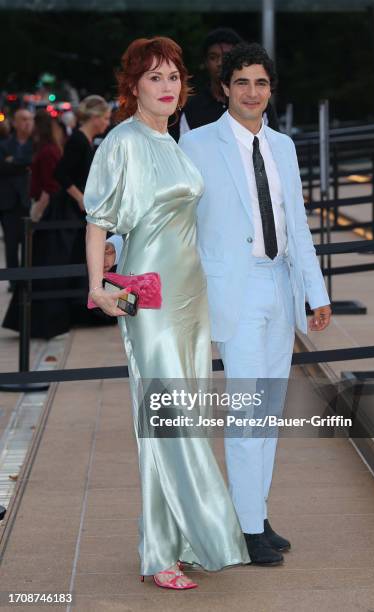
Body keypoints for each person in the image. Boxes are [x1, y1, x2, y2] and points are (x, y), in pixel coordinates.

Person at [108, 43, 332, 567]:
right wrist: (118, 250)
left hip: (279, 284)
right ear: (224, 89)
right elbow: (159, 200)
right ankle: (248, 529)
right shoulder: (198, 143)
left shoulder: (283, 147)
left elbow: (296, 225)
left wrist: (314, 293)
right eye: (242, 83)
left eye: (261, 83)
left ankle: (253, 512)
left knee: (269, 410)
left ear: (270, 91)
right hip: (233, 289)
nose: (252, 92)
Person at [84, 37, 249, 590]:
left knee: (184, 416)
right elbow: (99, 218)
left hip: (190, 295)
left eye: (174, 76)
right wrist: (98, 283)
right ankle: (169, 546)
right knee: (165, 418)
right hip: (149, 294)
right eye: (154, 77)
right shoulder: (122, 142)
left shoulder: (175, 141)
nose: (168, 85)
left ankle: (176, 542)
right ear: (133, 87)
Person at [2, 110, 68, 338]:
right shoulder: (44, 149)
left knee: (36, 267)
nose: (29, 127)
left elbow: (49, 188)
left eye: (32, 123)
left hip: (42, 215)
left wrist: (36, 214)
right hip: (24, 208)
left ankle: (40, 322)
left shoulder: (46, 151)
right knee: (20, 255)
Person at [54, 95, 111, 325]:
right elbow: (60, 173)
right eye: (106, 118)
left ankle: (85, 310)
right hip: (70, 211)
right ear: (95, 118)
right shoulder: (78, 140)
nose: (107, 123)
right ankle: (80, 311)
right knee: (77, 257)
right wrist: (80, 198)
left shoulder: (86, 140)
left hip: (80, 211)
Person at [171, 27, 279, 141]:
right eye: (213, 57)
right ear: (205, 62)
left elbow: (274, 147)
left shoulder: (257, 105)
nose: (220, 62)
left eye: (226, 56)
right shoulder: (190, 108)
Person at [0, 108, 33, 289]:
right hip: (9, 203)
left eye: (29, 119)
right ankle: (14, 282)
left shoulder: (36, 144)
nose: (27, 123)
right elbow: (3, 168)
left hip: (29, 201)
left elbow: (33, 161)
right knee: (12, 245)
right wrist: (24, 164)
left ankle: (26, 280)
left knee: (29, 244)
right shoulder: (4, 145)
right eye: (23, 119)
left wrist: (14, 161)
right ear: (14, 122)